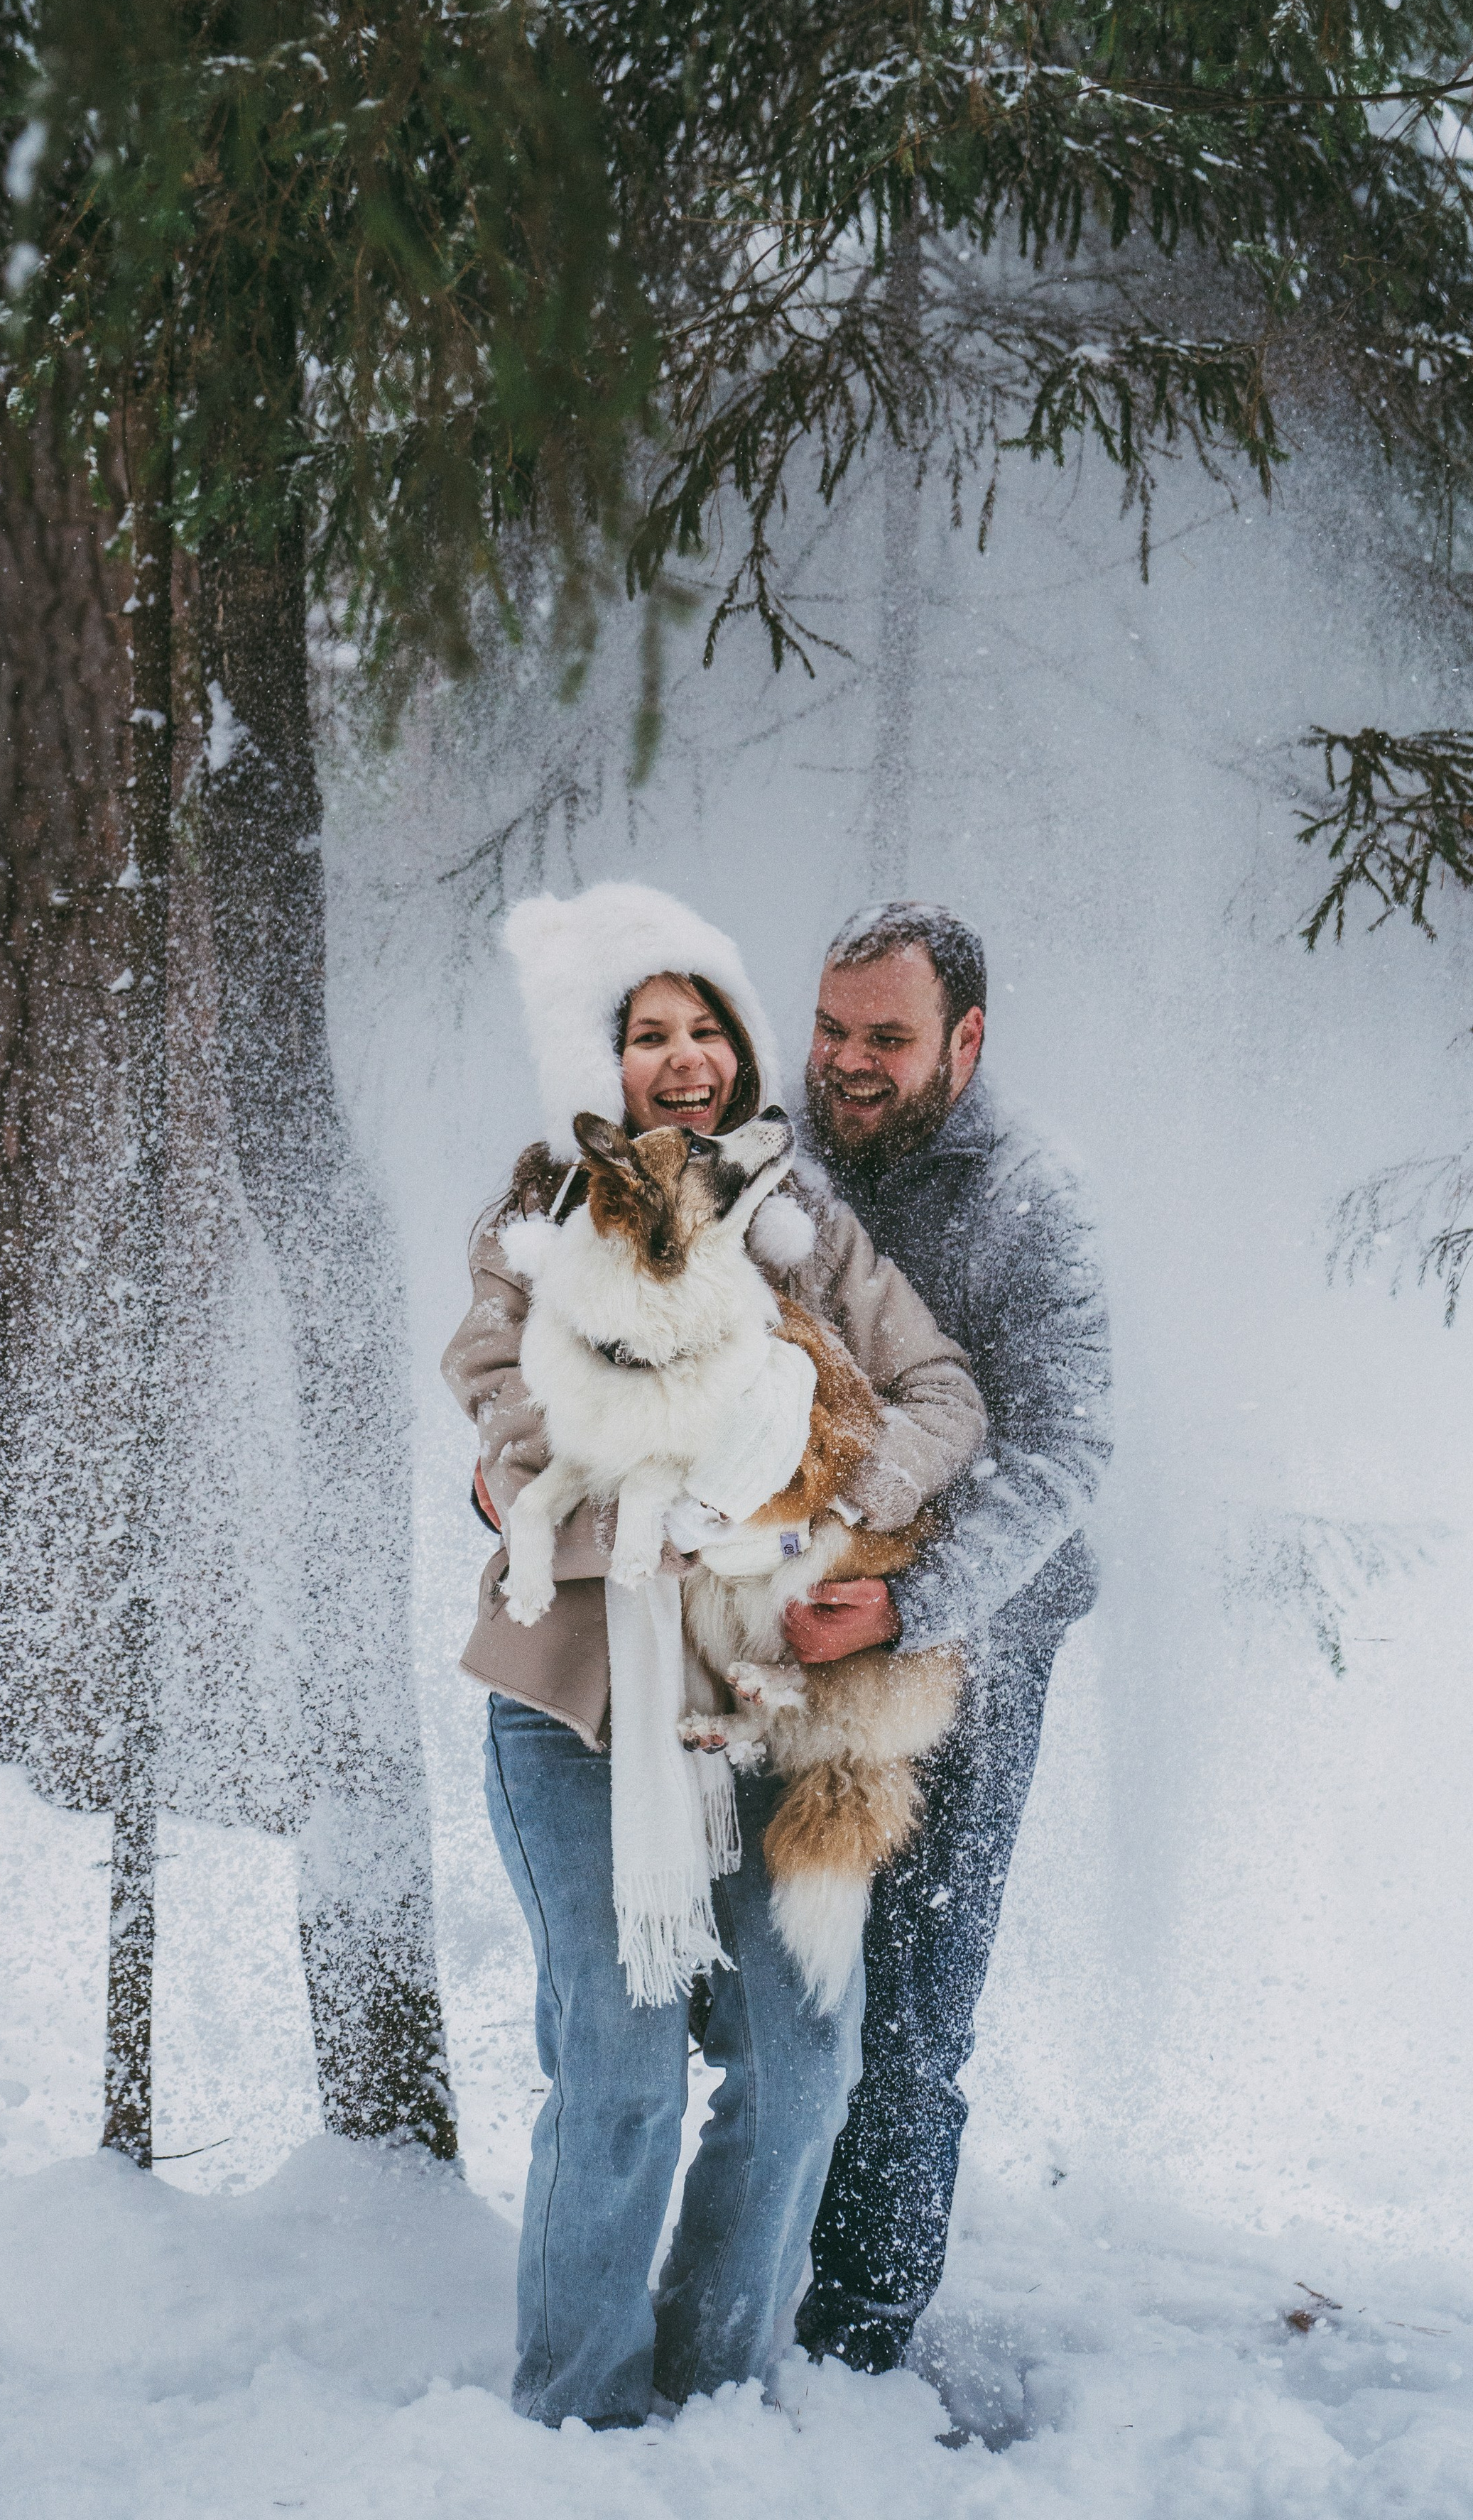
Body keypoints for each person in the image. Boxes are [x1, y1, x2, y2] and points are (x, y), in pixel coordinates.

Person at [442, 881, 986, 2430]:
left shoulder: (803, 1225)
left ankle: (717, 2400)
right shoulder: (540, 1223)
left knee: (800, 2070)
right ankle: (578, 2413)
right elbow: (508, 1407)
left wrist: (826, 1507)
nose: (681, 1060)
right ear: (593, 1059)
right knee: (614, 2081)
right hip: (585, 1700)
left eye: (704, 1031)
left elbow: (938, 1393)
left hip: (768, 1706)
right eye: (645, 1034)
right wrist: (589, 1470)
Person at [785, 900, 1113, 2374]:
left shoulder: (1034, 1195)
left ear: (963, 1042)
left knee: (912, 2010)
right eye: (831, 1030)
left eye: (887, 1040)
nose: (846, 1065)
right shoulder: (765, 1152)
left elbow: (1062, 1450)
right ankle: (738, 2281)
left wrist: (916, 1605)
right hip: (782, 1622)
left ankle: (854, 2339)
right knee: (768, 1989)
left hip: (972, 1639)